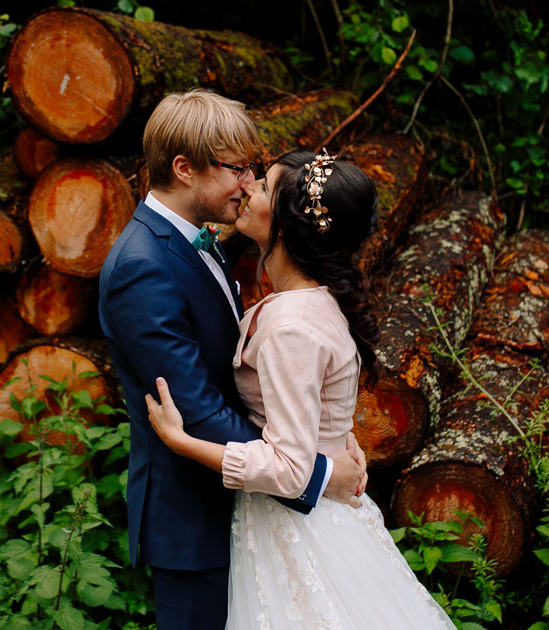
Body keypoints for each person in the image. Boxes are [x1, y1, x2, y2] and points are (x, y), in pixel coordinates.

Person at [144, 149, 457, 629]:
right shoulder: (306, 302)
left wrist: (184, 442)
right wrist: (334, 449)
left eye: (264, 187)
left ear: (288, 228)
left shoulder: (293, 325)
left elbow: (291, 470)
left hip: (299, 531)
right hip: (308, 517)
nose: (248, 187)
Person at [97, 90, 367, 630]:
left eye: (253, 171)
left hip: (248, 509)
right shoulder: (140, 268)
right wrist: (316, 474)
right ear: (184, 169)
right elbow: (195, 409)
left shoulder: (198, 239)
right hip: (196, 522)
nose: (248, 183)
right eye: (237, 169)